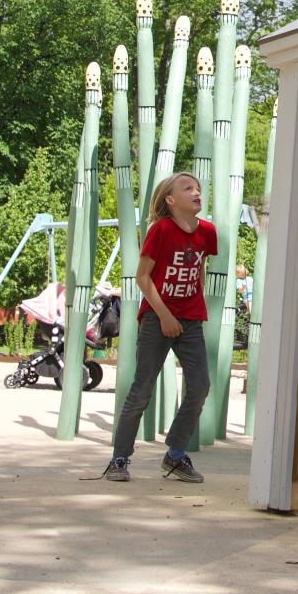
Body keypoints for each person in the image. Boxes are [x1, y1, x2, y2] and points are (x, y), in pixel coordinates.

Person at [104, 172, 216, 484]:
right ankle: (119, 459)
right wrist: (165, 316)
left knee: (201, 385)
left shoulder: (207, 231)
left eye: (198, 188)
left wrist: (193, 304)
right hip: (157, 316)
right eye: (188, 188)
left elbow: (200, 268)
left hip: (191, 318)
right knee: (141, 389)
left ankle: (176, 455)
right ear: (170, 200)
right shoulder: (161, 230)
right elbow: (142, 277)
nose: (196, 192)